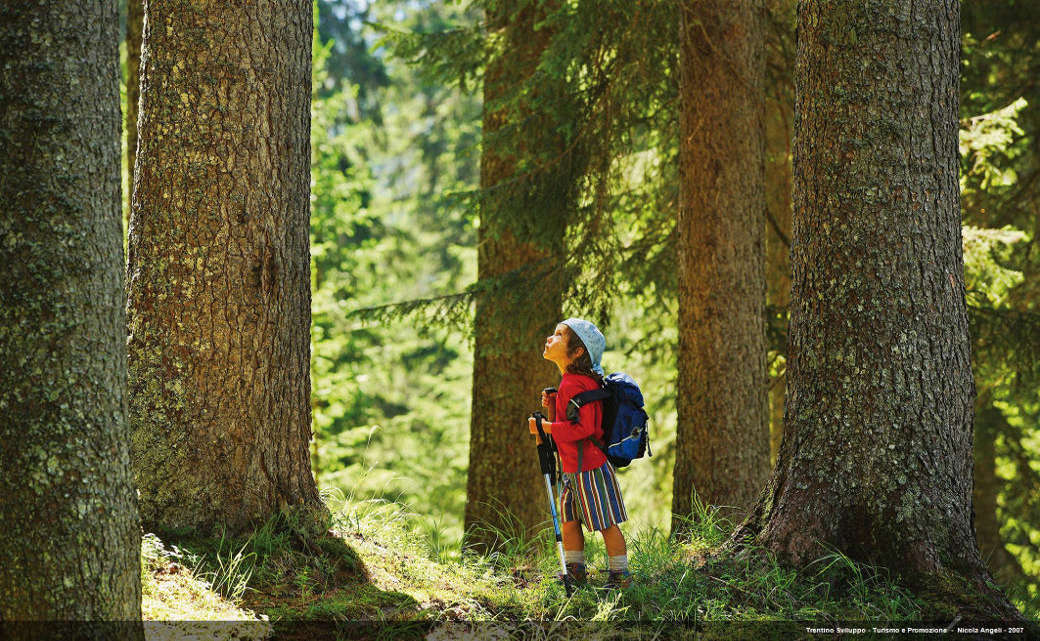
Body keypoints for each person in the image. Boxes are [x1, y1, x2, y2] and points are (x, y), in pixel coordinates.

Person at [528, 318, 631, 590]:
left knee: (606, 522)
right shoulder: (571, 382)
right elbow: (569, 423)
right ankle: (575, 573)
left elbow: (585, 428)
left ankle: (621, 577)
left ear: (578, 352)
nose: (551, 338)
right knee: (570, 521)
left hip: (591, 469)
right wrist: (552, 409)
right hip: (573, 469)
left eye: (559, 335)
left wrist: (546, 427)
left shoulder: (577, 383)